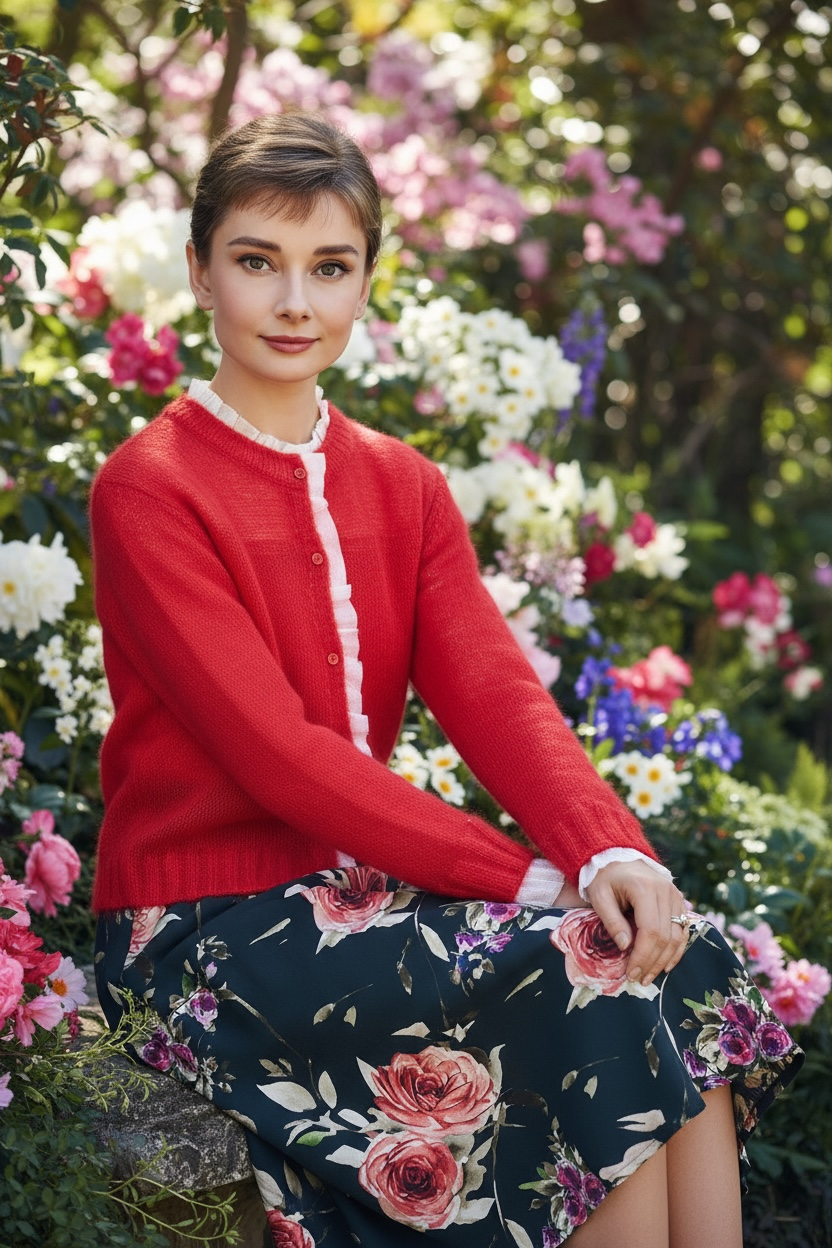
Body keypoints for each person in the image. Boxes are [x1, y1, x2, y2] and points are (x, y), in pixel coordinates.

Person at [91, 111, 801, 1248]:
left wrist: (610, 853)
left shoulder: (402, 484)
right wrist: (528, 882)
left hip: (353, 903)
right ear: (199, 270)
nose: (294, 303)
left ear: (367, 279)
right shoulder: (150, 486)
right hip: (202, 928)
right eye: (256, 262)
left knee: (682, 953)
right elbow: (280, 757)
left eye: (330, 268)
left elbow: (496, 694)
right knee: (588, 974)